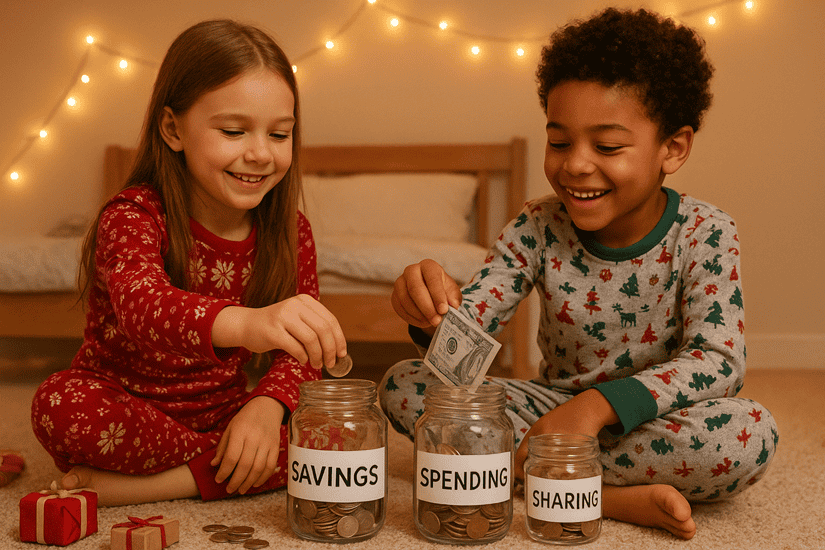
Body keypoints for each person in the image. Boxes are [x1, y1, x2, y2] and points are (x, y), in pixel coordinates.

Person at [380, 8, 777, 540]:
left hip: (654, 418)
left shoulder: (707, 231)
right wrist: (431, 313)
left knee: (749, 433)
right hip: (551, 408)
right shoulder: (537, 226)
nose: (575, 165)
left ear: (673, 148)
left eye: (607, 146)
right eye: (560, 142)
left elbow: (719, 359)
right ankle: (604, 497)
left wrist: (598, 408)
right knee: (403, 384)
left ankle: (531, 477)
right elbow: (462, 351)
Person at [30, 19, 347, 506]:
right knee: (57, 403)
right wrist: (250, 324)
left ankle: (149, 486)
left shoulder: (289, 229)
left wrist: (266, 407)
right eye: (234, 131)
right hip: (126, 407)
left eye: (280, 134)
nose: (260, 153)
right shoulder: (132, 215)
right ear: (173, 129)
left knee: (341, 432)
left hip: (225, 412)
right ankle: (227, 468)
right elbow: (143, 307)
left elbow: (301, 353)